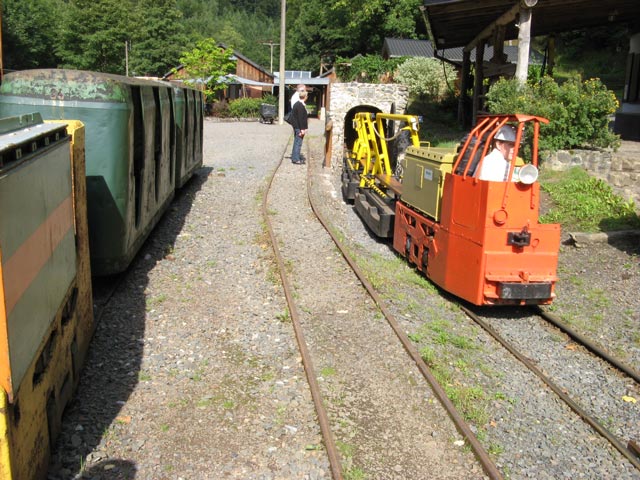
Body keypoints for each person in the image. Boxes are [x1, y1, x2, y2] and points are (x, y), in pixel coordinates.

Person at [290, 90, 308, 164]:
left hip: (296, 127)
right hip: (299, 127)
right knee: (298, 143)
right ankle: (296, 159)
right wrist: (302, 129)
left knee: (296, 142)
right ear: (305, 97)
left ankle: (295, 157)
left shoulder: (296, 104)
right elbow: (300, 119)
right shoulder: (300, 106)